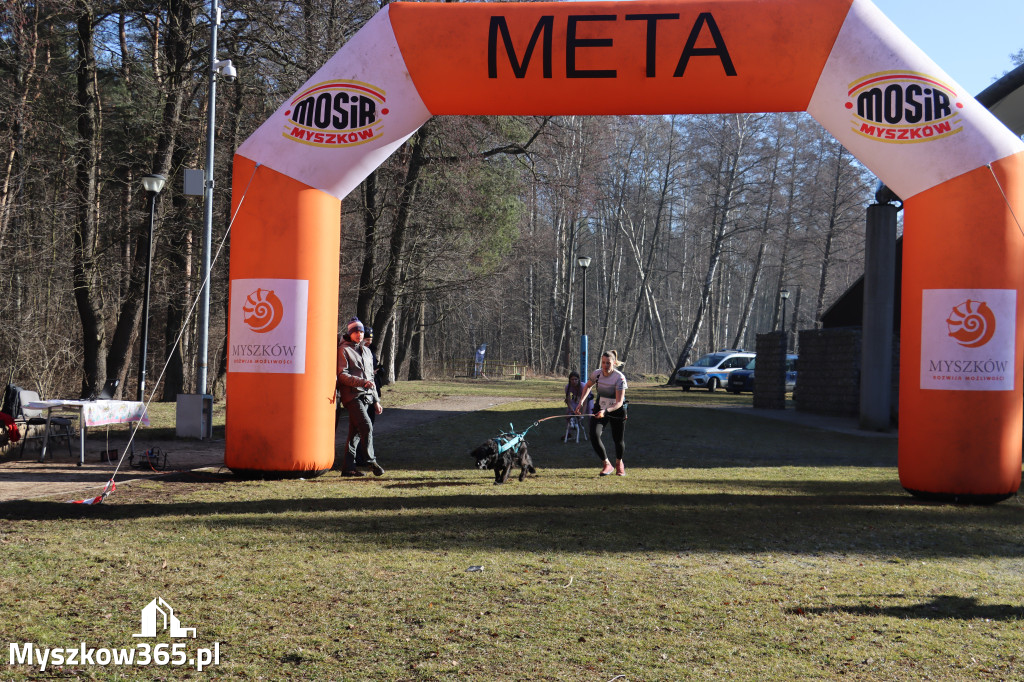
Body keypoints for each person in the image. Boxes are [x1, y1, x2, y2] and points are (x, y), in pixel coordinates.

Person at [336, 317, 385, 477]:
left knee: (355, 432)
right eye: (356, 331)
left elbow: (371, 376)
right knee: (366, 426)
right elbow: (342, 375)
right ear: (350, 333)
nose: (359, 334)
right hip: (352, 396)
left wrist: (376, 400)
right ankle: (371, 461)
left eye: (361, 331)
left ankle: (348, 468)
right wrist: (361, 382)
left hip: (367, 397)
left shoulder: (367, 351)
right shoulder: (343, 350)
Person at [575, 350, 628, 476]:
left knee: (618, 439)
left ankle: (619, 463)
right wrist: (581, 402)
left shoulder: (619, 377)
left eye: (608, 363)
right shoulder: (597, 374)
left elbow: (619, 402)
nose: (605, 366)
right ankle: (607, 464)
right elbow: (588, 386)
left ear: (614, 363)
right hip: (600, 407)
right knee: (594, 434)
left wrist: (606, 411)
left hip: (617, 410)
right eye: (603, 363)